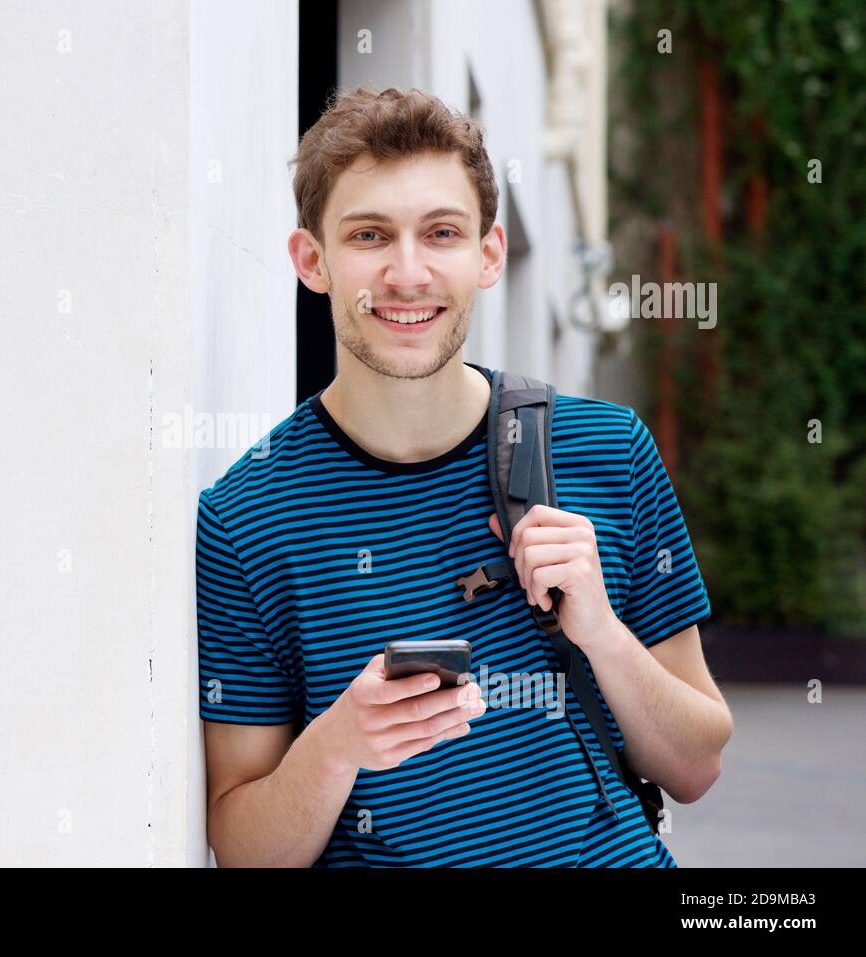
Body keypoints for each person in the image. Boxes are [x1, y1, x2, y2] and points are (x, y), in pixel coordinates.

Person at [197, 87, 733, 867]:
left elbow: (697, 765)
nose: (407, 272)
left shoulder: (609, 449)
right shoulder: (247, 515)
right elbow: (245, 848)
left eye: (440, 232)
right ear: (313, 261)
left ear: (488, 254)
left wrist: (602, 633)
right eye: (370, 235)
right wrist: (339, 743)